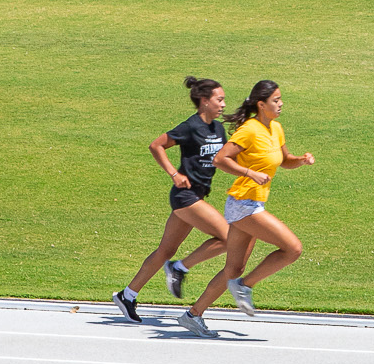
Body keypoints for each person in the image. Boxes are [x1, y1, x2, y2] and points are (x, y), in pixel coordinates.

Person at [181, 79, 313, 334]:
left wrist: (301, 161)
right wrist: (249, 173)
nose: (281, 103)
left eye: (280, 98)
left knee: (233, 268)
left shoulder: (276, 128)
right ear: (261, 105)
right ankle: (246, 285)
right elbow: (220, 159)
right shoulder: (249, 130)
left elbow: (284, 160)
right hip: (244, 205)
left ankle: (193, 314)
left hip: (251, 203)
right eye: (276, 100)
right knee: (293, 248)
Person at [112, 77, 234, 322]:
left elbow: (225, 158)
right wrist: (174, 173)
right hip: (185, 196)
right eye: (218, 99)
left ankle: (128, 295)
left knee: (165, 249)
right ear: (204, 101)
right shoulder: (190, 126)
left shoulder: (218, 129)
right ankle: (180, 267)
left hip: (197, 195)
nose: (222, 104)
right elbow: (156, 145)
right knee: (230, 238)